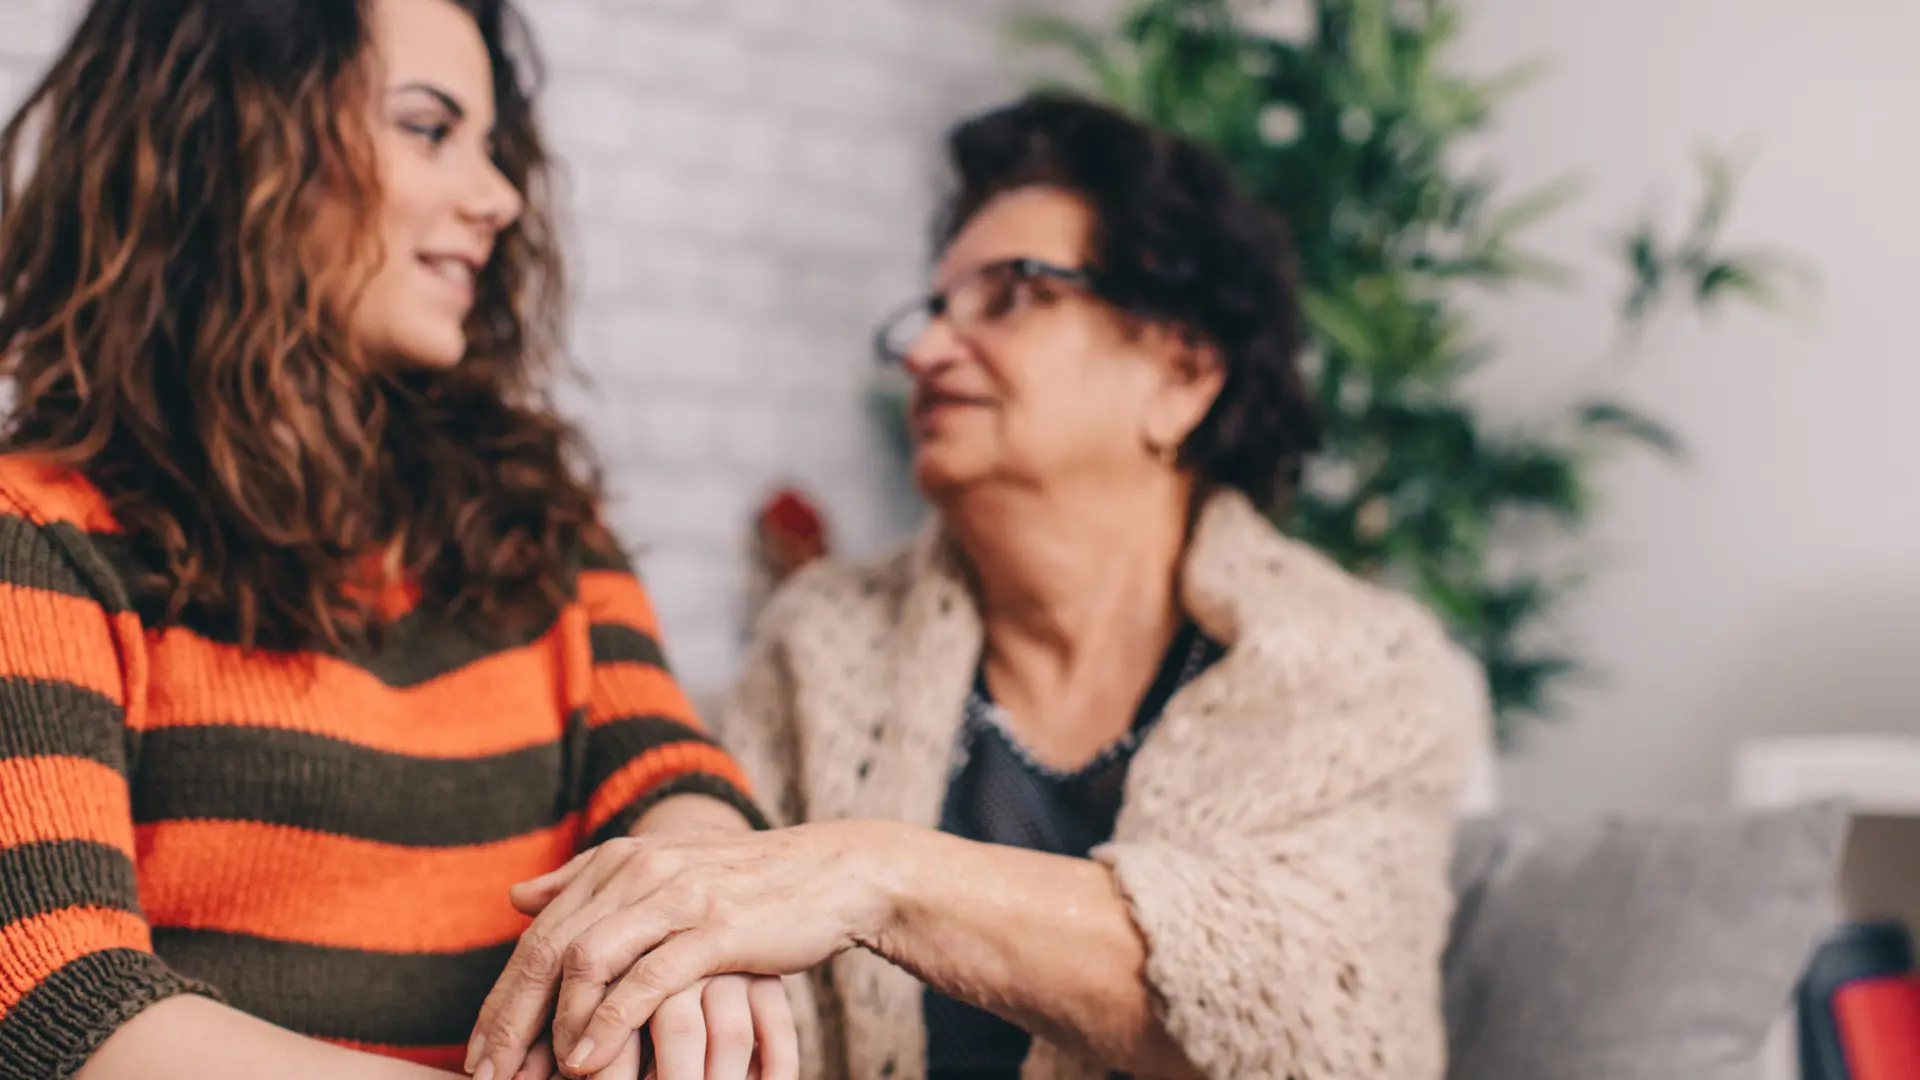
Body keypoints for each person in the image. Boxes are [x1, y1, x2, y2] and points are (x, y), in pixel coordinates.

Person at [470, 92, 1488, 1080]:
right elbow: (734, 981)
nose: (922, 348)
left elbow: (1315, 1014)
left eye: (1013, 294)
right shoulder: (824, 640)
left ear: (1183, 371)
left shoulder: (1362, 667)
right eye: (933, 307)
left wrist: (874, 875)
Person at [0, 2, 797, 1079]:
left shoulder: (535, 518)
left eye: (491, 144)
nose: (498, 197)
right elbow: (58, 994)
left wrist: (702, 905)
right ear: (235, 141)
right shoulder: (41, 533)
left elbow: (663, 769)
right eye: (429, 129)